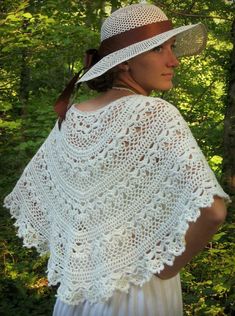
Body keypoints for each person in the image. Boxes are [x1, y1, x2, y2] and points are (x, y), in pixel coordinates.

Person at [4, 2, 230, 316]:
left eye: (172, 48)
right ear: (124, 62)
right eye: (159, 50)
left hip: (78, 294)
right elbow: (214, 211)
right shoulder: (156, 114)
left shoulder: (72, 117)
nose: (174, 61)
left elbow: (36, 196)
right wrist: (166, 267)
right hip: (140, 290)